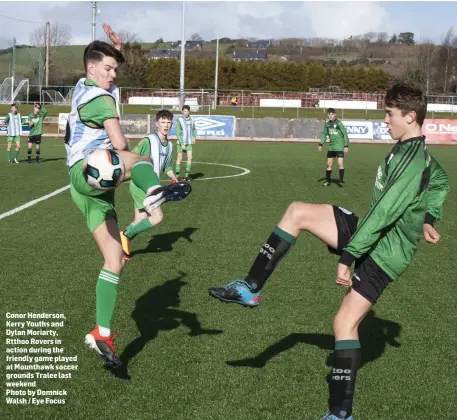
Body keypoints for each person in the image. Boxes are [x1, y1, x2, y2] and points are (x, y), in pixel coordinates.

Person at [208, 83, 450, 419]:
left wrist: (348, 257)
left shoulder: (411, 159)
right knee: (297, 211)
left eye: (390, 114)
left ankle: (340, 414)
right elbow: (438, 181)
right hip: (371, 231)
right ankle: (250, 287)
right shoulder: (412, 151)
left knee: (343, 324)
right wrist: (428, 218)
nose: (384, 120)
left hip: (385, 252)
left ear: (410, 116)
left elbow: (385, 215)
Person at [65, 24, 191, 369]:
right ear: (92, 69)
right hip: (89, 172)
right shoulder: (100, 99)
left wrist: (116, 50)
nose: (113, 74)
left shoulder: (84, 85)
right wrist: (132, 164)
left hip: (90, 191)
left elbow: (108, 78)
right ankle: (153, 193)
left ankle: (100, 333)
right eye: (108, 68)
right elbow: (119, 144)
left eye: (115, 69)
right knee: (140, 159)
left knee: (114, 260)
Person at [121, 108, 180, 260]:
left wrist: (174, 177)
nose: (166, 125)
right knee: (157, 216)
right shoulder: (148, 141)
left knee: (139, 220)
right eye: (163, 122)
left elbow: (167, 166)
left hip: (150, 186)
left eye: (168, 122)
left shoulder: (170, 145)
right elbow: (133, 157)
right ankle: (125, 235)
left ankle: (121, 245)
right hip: (141, 184)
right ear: (157, 124)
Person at [318, 108, 349, 187]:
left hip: (339, 146)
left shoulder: (338, 123)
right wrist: (321, 144)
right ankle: (328, 181)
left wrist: (346, 145)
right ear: (327, 115)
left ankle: (341, 180)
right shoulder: (327, 123)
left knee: (340, 164)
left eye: (332, 114)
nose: (330, 115)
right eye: (329, 114)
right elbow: (324, 134)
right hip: (331, 147)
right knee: (328, 165)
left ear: (335, 114)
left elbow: (345, 134)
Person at [175, 104, 196, 181]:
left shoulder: (192, 120)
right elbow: (177, 133)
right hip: (180, 144)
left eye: (187, 111)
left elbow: (194, 129)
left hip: (189, 143)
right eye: (184, 111)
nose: (186, 112)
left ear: (189, 112)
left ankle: (186, 176)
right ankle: (177, 176)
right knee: (179, 158)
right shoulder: (179, 120)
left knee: (190, 158)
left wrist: (194, 137)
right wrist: (182, 144)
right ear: (182, 112)